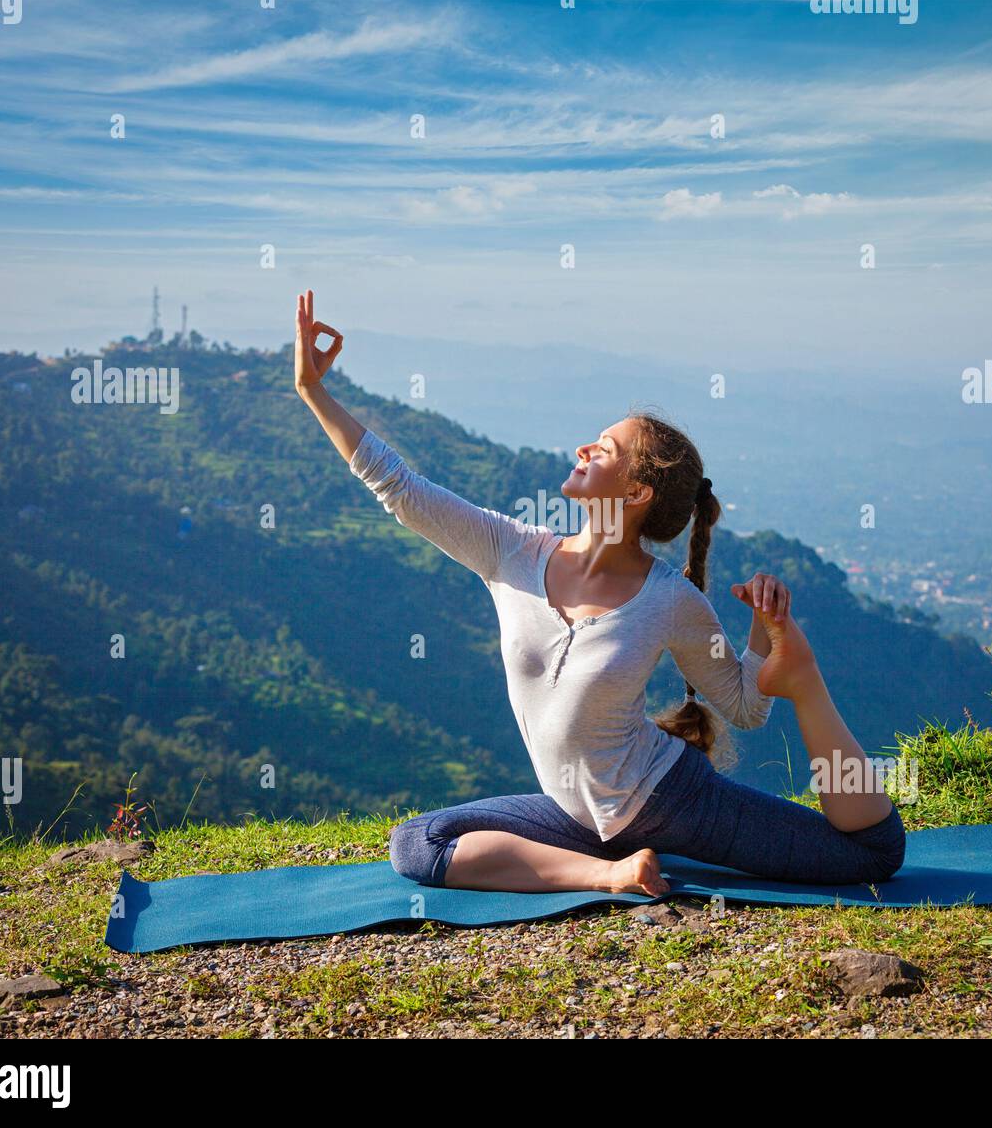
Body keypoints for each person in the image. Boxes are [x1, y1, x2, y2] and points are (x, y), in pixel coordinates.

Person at [294, 290, 905, 896]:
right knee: (417, 843)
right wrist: (313, 392)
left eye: (604, 449)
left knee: (872, 854)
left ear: (636, 494)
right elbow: (400, 488)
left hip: (671, 800)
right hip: (579, 822)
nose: (584, 448)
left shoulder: (669, 600)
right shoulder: (510, 551)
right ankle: (613, 874)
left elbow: (745, 705)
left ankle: (810, 685)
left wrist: (771, 647)